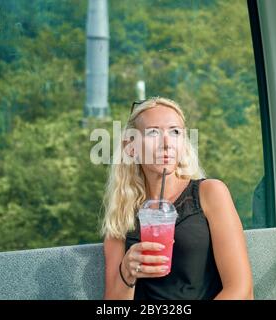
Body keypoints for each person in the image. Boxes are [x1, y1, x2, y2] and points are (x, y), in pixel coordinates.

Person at [101, 97, 253, 300]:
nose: (166, 143)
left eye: (175, 132)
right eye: (153, 132)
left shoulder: (210, 193)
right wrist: (126, 273)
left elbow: (241, 290)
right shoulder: (122, 214)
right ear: (132, 147)